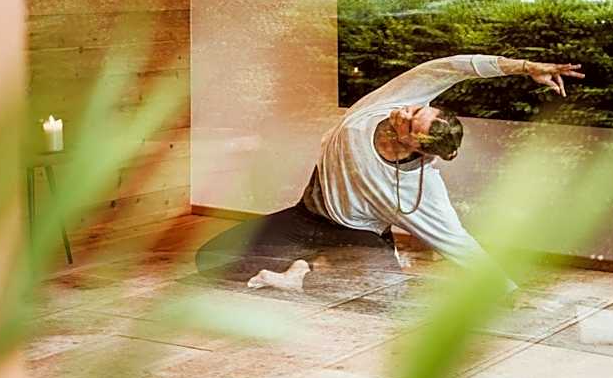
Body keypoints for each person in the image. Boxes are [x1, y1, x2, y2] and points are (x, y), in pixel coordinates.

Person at [194, 55, 584, 289]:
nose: (406, 112)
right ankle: (309, 263)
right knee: (211, 260)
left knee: (382, 291)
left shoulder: (419, 189)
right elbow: (452, 68)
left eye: (411, 122)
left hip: (357, 234)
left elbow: (456, 241)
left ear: (417, 147)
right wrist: (523, 67)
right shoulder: (393, 102)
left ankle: (303, 272)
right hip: (305, 217)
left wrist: (505, 291)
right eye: (417, 110)